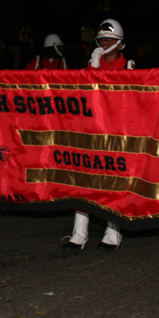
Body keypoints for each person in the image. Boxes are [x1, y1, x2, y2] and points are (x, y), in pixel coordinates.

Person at [62, 18, 134, 251]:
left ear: (119, 43)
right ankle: (79, 234)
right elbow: (81, 95)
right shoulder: (90, 66)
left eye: (110, 39)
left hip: (114, 131)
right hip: (89, 130)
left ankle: (113, 233)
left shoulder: (128, 67)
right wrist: (92, 69)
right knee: (83, 181)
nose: (104, 43)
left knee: (111, 183)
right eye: (102, 39)